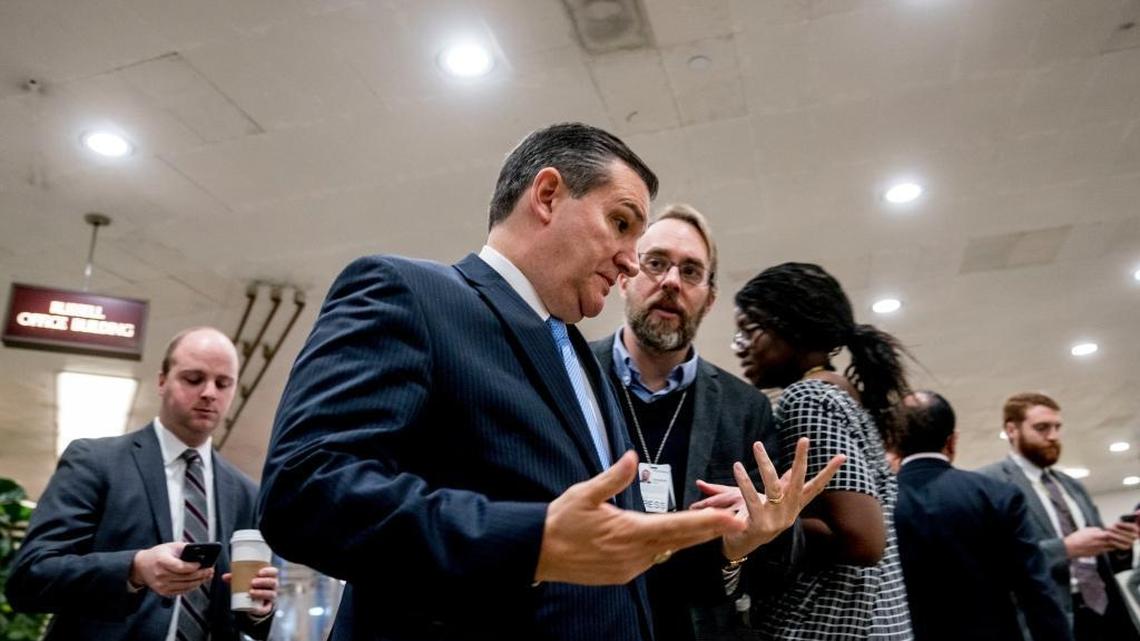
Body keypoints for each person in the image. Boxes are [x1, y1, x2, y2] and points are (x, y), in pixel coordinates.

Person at [257, 123, 836, 641]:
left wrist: (732, 541)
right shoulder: (407, 293)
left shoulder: (584, 361)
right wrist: (528, 541)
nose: (632, 262)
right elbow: (303, 488)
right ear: (548, 194)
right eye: (620, 223)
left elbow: (614, 549)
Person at [590, 204, 828, 641]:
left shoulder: (746, 408)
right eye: (656, 262)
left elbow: (772, 559)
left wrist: (749, 540)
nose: (671, 282)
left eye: (691, 271)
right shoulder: (571, 374)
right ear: (625, 276)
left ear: (710, 298)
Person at [7, 327, 279, 641]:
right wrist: (134, 569)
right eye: (193, 379)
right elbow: (29, 578)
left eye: (223, 383)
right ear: (162, 381)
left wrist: (259, 610)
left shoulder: (245, 492)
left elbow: (240, 618)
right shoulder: (94, 461)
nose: (209, 393)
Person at [731, 262, 913, 640]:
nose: (741, 346)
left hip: (823, 624)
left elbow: (863, 539)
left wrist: (759, 519)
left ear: (793, 328)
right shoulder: (842, 395)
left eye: (749, 330)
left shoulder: (808, 397)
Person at [892, 390, 1072, 641]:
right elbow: (1035, 588)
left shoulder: (878, 501)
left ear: (893, 441)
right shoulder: (998, 494)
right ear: (952, 440)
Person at [979, 392, 1140, 641]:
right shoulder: (990, 484)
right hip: (1050, 621)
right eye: (1042, 428)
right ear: (1012, 430)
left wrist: (1119, 545)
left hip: (1107, 614)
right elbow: (994, 561)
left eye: (1057, 427)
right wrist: (1064, 549)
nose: (1053, 436)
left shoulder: (1072, 486)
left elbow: (1101, 562)